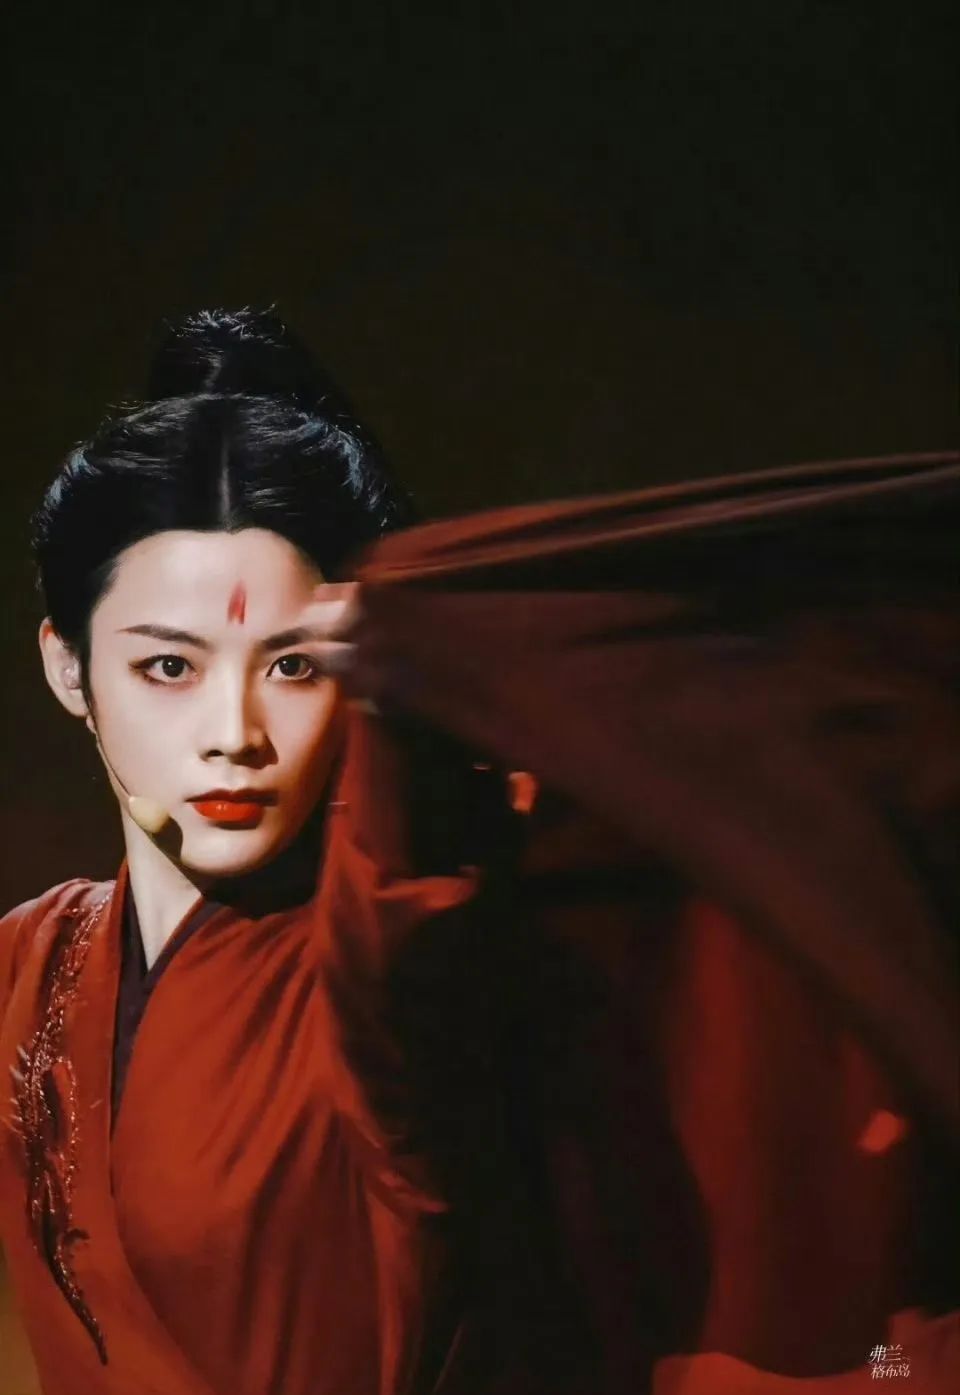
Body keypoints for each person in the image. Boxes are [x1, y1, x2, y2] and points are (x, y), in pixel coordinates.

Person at [1, 308, 957, 1395]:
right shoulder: (31, 959)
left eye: (293, 666)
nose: (236, 732)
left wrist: (433, 672)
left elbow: (407, 933)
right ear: (68, 668)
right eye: (169, 667)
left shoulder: (385, 949)